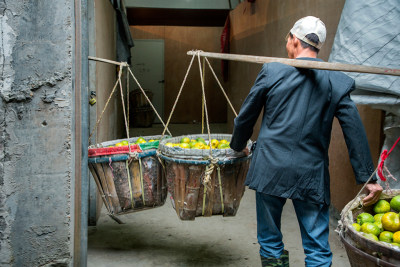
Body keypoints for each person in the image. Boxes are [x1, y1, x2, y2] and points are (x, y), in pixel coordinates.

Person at [230, 16, 383, 267]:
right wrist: (369, 179)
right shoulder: (336, 80)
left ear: (293, 40)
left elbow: (246, 116)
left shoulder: (272, 70)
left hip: (270, 168)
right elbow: (354, 131)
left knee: (270, 241)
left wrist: (237, 146)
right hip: (310, 174)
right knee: (317, 248)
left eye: (287, 41)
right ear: (317, 47)